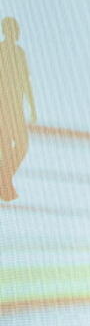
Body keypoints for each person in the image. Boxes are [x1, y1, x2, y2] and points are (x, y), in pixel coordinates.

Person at [0, 16, 36, 202]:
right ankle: (4, 181)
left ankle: (4, 179)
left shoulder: (19, 53)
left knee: (21, 145)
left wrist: (32, 106)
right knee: (7, 147)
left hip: (15, 107)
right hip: (4, 107)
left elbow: (25, 82)